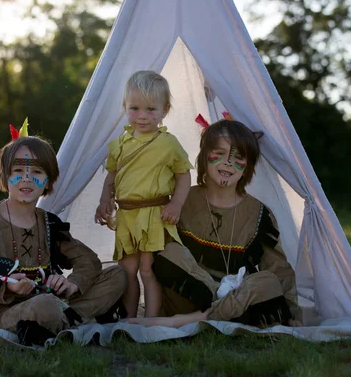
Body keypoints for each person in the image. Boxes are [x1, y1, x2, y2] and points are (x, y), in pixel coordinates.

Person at [0, 126, 127, 346]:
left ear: (48, 179)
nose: (27, 180)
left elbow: (87, 259)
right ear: (5, 176)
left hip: (50, 301)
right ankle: (70, 323)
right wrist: (6, 287)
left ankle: (60, 323)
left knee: (118, 274)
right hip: (1, 313)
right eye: (18, 172)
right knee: (45, 305)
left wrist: (71, 283)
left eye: (36, 172)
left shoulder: (50, 223)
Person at [129, 119, 303, 328]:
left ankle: (196, 320)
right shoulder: (181, 200)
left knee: (268, 280)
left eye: (238, 157)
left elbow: (279, 269)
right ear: (204, 157)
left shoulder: (259, 213)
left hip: (239, 300)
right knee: (170, 251)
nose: (227, 162)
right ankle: (212, 313)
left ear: (247, 166)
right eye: (219, 154)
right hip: (186, 300)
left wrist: (293, 314)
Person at [95, 71, 193, 318]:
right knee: (126, 269)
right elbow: (112, 176)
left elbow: (183, 175)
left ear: (165, 109)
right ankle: (129, 319)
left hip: (153, 215)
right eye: (135, 108)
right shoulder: (120, 144)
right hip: (126, 216)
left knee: (148, 270)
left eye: (151, 109)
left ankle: (151, 320)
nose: (142, 116)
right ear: (125, 107)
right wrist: (104, 200)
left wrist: (177, 205)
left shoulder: (168, 144)